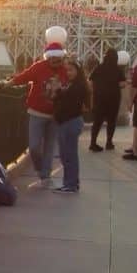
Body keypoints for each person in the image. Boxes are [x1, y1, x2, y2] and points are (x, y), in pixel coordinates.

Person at [8, 26, 69, 185]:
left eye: (60, 59)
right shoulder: (39, 67)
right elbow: (24, 76)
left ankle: (45, 175)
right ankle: (41, 168)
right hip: (37, 112)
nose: (58, 62)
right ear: (48, 58)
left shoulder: (66, 70)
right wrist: (10, 83)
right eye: (54, 59)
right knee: (34, 146)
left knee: (49, 147)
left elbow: (75, 86)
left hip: (56, 115)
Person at [52, 60, 89, 193]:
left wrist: (58, 92)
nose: (68, 73)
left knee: (69, 155)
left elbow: (68, 102)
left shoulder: (78, 86)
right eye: (67, 70)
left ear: (78, 71)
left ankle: (70, 184)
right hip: (66, 122)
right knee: (66, 155)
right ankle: (71, 182)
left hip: (70, 122)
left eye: (71, 70)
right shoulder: (71, 85)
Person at [88, 47, 125, 151]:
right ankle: (109, 142)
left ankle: (93, 142)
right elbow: (122, 83)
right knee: (111, 121)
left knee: (97, 121)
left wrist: (96, 89)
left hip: (99, 98)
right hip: (113, 99)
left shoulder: (99, 67)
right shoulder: (118, 69)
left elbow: (90, 81)